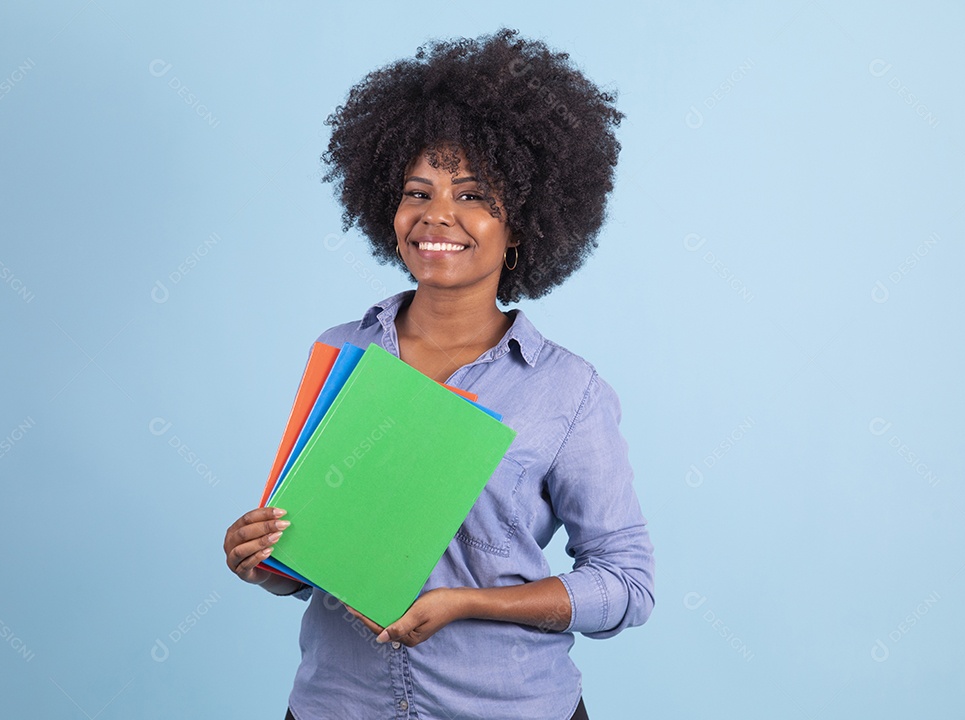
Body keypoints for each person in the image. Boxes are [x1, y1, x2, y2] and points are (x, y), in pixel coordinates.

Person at [223, 28, 654, 720]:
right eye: (416, 192)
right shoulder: (342, 355)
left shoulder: (566, 390)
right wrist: (260, 559)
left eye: (474, 195)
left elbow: (626, 584)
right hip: (341, 705)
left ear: (524, 227)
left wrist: (468, 604)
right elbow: (310, 566)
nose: (437, 216)